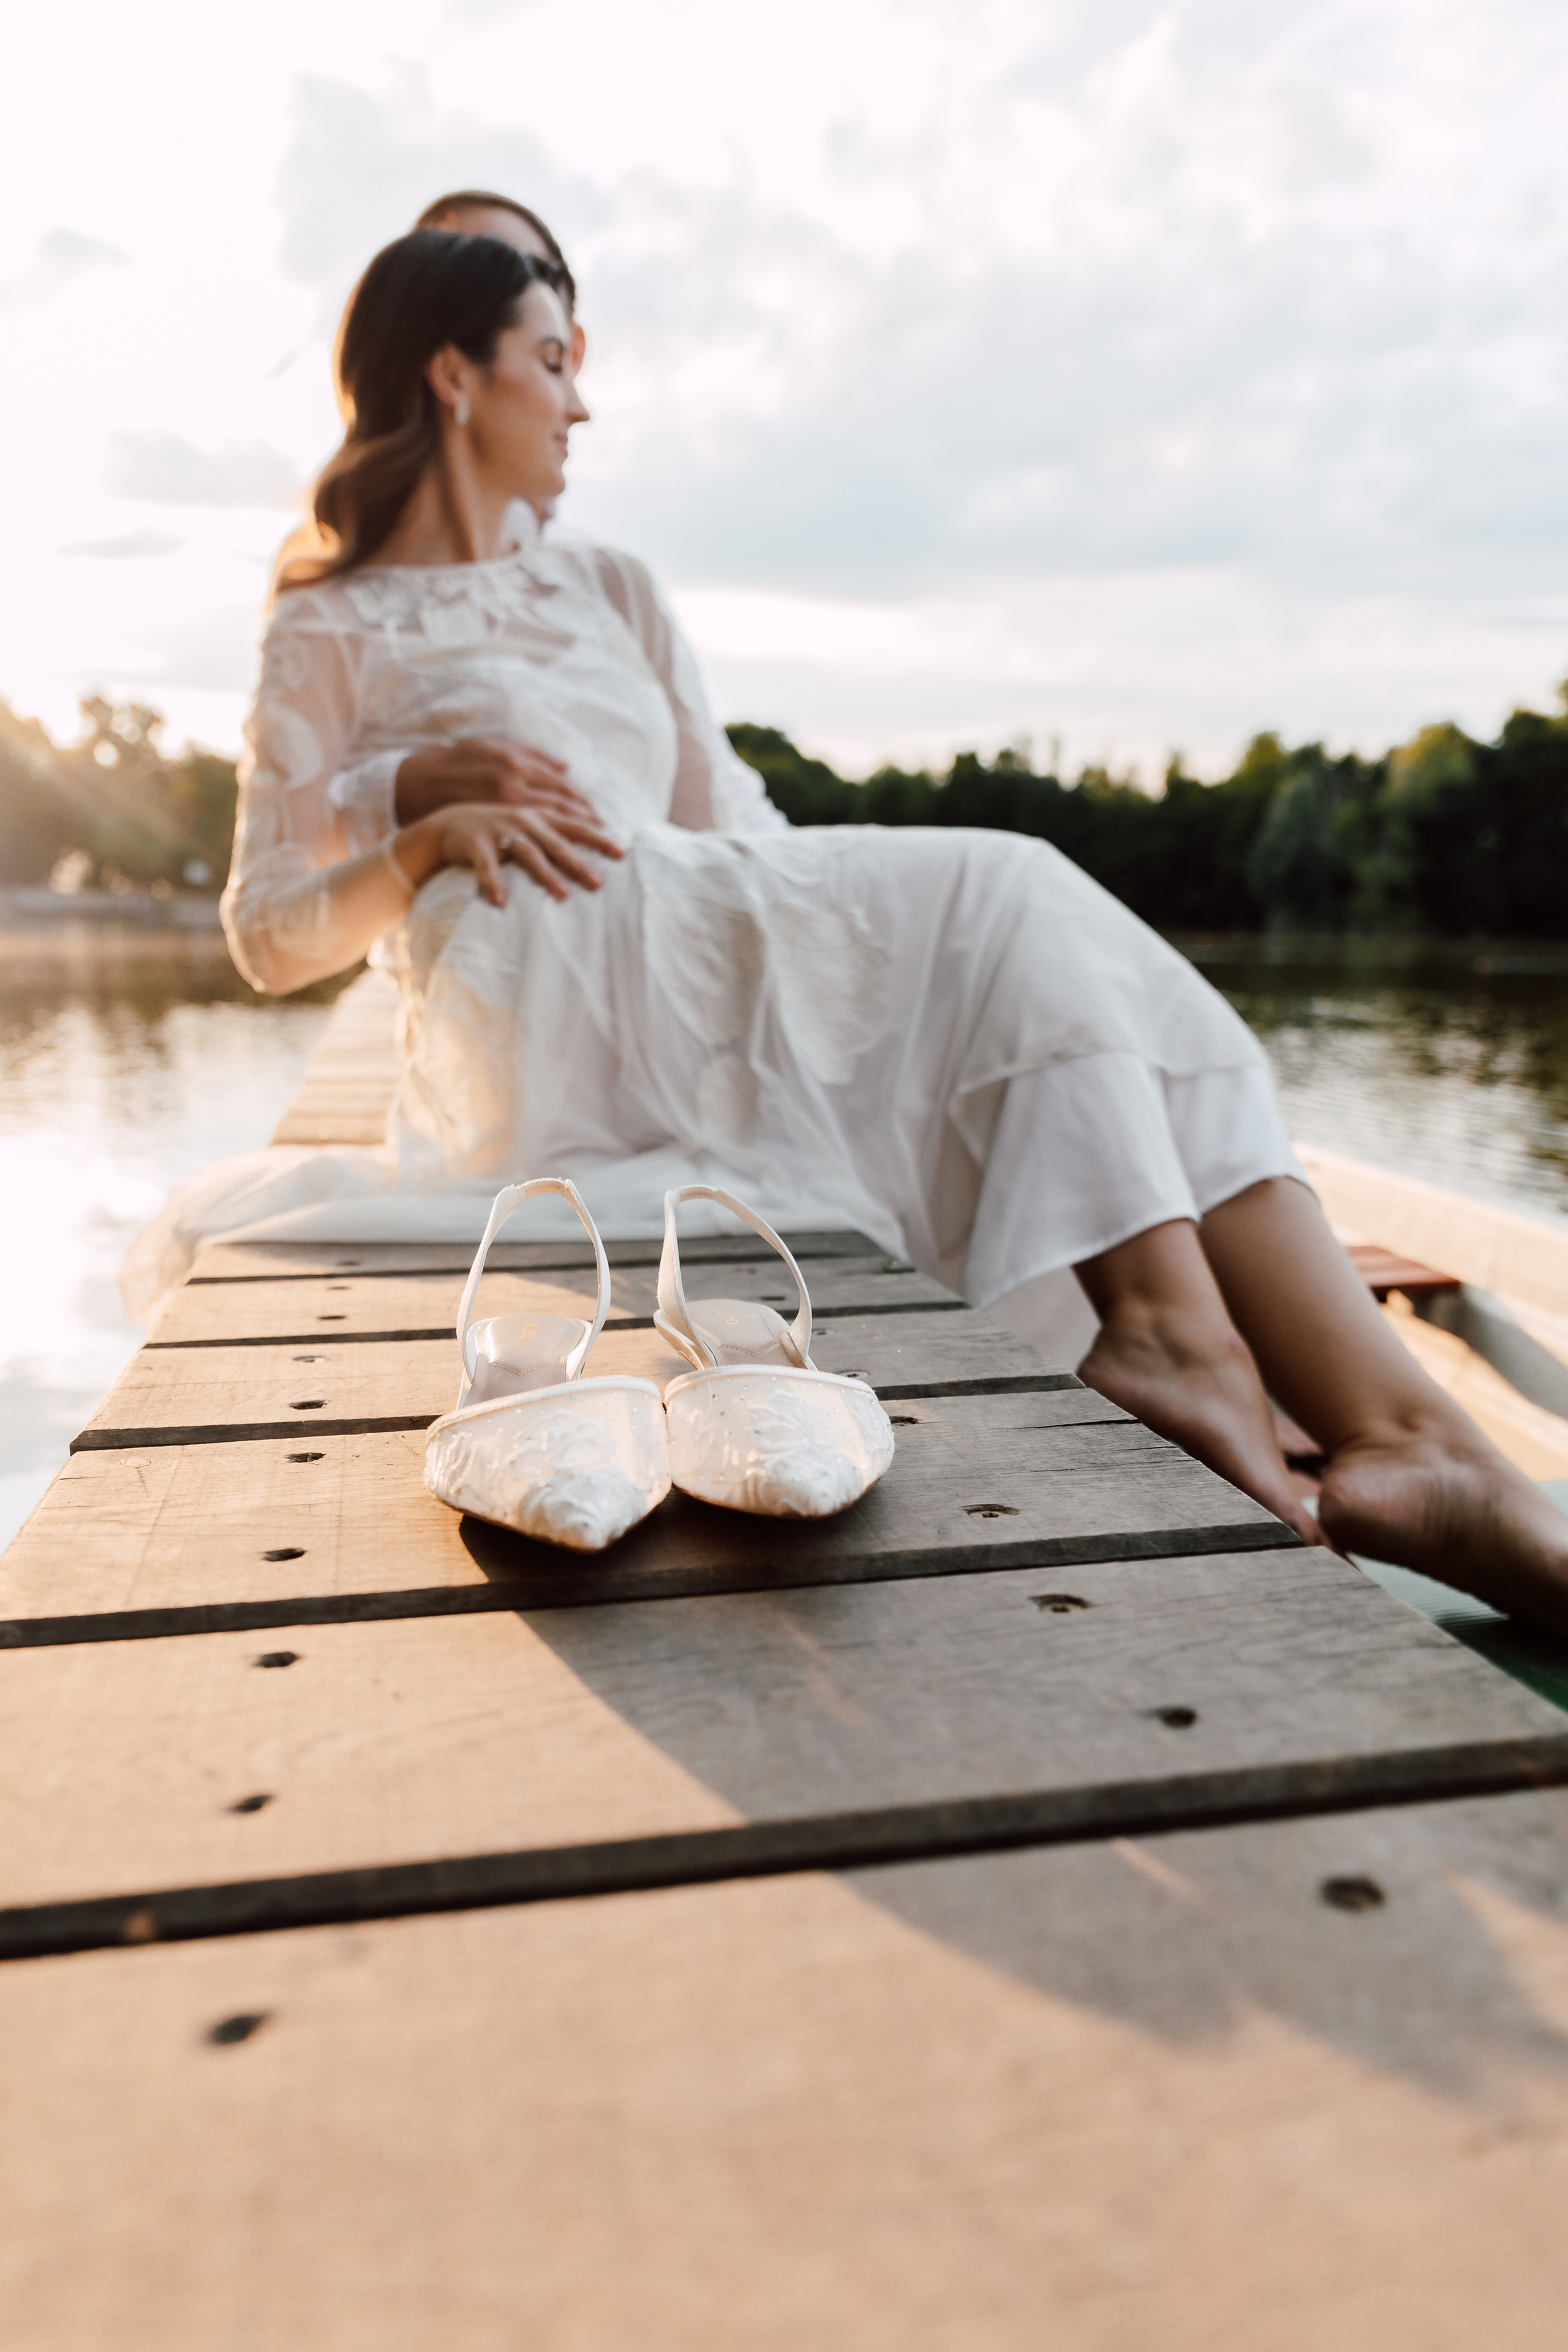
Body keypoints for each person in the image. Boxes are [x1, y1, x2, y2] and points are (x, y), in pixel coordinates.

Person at [216, 222, 1568, 1629]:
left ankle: (1393, 1432)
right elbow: (267, 936)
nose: (581, 401)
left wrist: (871, 950)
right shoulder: (327, 624)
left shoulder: (612, 585)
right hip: (537, 1023)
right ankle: (1238, 1366)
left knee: (1038, 934)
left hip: (687, 944)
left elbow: (736, 829)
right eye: (553, 362)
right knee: (1015, 888)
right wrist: (421, 834)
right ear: (451, 375)